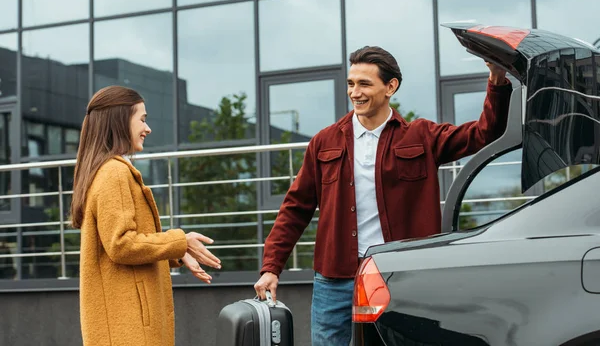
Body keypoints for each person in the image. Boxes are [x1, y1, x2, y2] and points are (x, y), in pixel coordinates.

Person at [254, 46, 512, 345]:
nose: (355, 92)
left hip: (398, 275)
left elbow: (484, 133)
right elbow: (295, 209)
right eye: (351, 83)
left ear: (391, 87)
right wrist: (271, 267)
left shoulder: (421, 136)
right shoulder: (324, 142)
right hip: (335, 278)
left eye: (365, 84)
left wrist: (496, 78)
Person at [71, 85, 221, 346]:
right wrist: (179, 241)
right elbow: (121, 245)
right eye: (142, 119)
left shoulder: (105, 170)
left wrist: (176, 251)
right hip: (128, 328)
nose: (148, 128)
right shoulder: (114, 173)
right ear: (119, 120)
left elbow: (122, 245)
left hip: (126, 324)